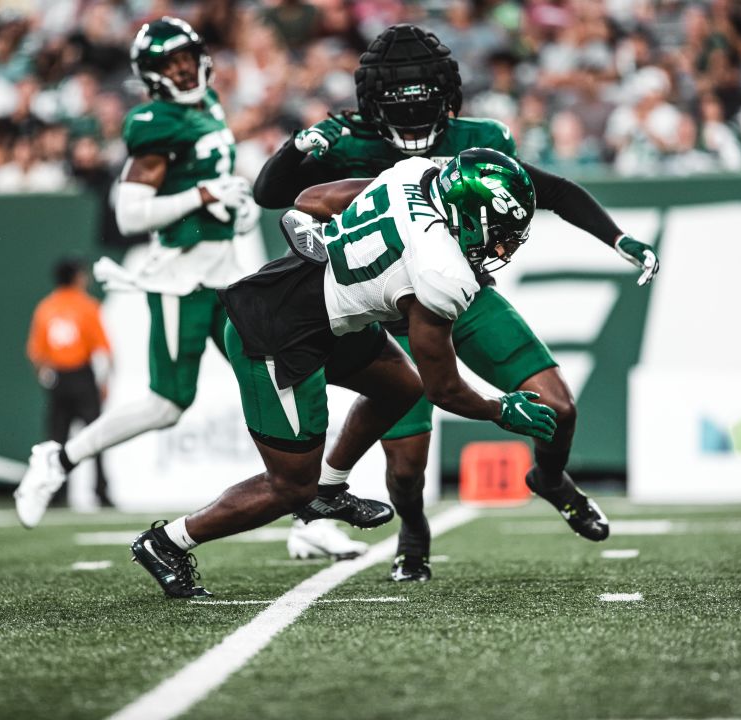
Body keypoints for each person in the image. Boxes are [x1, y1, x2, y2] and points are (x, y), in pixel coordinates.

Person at [254, 24, 660, 582]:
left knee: (559, 408)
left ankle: (550, 479)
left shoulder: (477, 138)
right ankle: (413, 531)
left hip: (458, 296)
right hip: (381, 306)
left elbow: (555, 190)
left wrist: (619, 239)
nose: (416, 123)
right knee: (406, 467)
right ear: (373, 107)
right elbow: (273, 196)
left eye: (426, 108)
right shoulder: (343, 140)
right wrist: (293, 149)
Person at [10, 18, 375, 556]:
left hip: (225, 274)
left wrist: (236, 211)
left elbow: (217, 189)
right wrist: (202, 198)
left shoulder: (207, 106)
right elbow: (129, 213)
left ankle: (308, 515)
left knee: (285, 381)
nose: (181, 70)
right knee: (167, 403)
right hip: (183, 279)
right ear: (152, 76)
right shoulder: (157, 123)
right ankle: (58, 459)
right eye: (168, 64)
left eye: (185, 58)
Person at [131, 149, 559, 598]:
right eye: (502, 231)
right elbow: (445, 388)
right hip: (278, 332)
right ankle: (167, 542)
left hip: (325, 309)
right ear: (466, 213)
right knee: (290, 487)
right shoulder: (442, 271)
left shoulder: (415, 176)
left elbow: (310, 199)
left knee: (403, 388)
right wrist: (500, 408)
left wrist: (309, 228)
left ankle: (329, 489)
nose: (504, 245)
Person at [22, 258, 113, 510]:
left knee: (56, 440)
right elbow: (103, 349)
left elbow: (35, 353)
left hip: (58, 379)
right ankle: (101, 492)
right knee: (96, 438)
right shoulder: (87, 306)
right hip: (82, 377)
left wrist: (46, 378)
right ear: (77, 277)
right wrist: (104, 382)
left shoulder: (45, 307)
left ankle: (55, 494)